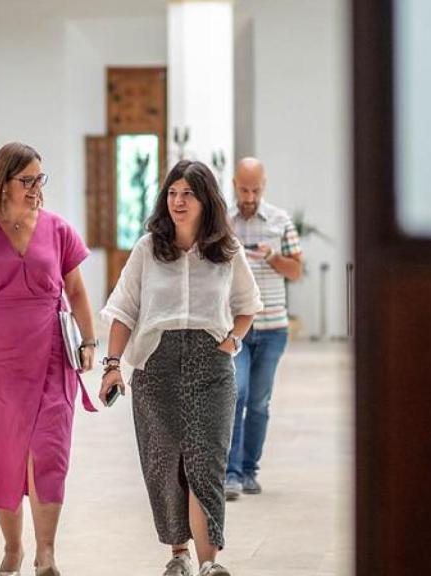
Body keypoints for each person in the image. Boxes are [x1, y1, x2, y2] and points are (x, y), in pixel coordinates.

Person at [0, 142, 98, 576]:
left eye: (39, 179)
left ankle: (46, 553)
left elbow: (78, 291)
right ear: (3, 182)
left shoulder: (58, 229)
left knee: (48, 452)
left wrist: (88, 341)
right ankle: (13, 548)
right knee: (2, 455)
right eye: (26, 180)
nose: (34, 188)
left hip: (48, 356)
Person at [99, 160, 262, 576]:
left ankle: (209, 563)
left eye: (187, 193)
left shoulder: (227, 251)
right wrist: (113, 365)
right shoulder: (148, 249)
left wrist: (232, 340)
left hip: (212, 364)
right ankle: (178, 555)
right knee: (166, 464)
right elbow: (123, 310)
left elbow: (248, 304)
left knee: (206, 462)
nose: (178, 201)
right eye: (172, 193)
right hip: (157, 363)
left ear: (205, 199)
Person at [223, 157, 304, 501]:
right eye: (244, 189)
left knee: (258, 401)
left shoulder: (280, 221)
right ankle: (231, 473)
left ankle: (250, 469)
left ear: (264, 186)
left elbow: (296, 271)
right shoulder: (223, 222)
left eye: (256, 189)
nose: (250, 196)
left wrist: (271, 256)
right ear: (234, 185)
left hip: (272, 328)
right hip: (236, 326)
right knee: (236, 394)